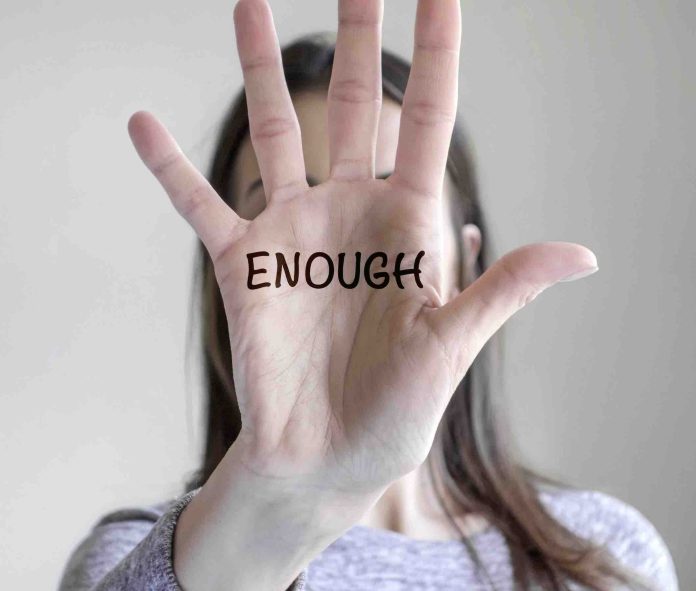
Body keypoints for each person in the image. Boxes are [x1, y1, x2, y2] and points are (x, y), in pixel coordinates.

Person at [58, 0, 679, 590]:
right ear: (228, 286)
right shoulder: (152, 563)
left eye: (384, 213)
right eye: (283, 216)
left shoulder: (607, 556)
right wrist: (280, 498)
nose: (338, 262)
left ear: (467, 261)